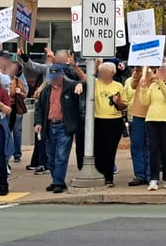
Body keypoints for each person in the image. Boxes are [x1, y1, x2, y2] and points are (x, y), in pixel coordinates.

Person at [32, 65, 84, 194]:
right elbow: (39, 109)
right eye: (52, 78)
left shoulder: (70, 87)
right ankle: (57, 179)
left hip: (64, 126)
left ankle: (58, 182)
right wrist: (38, 123)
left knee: (61, 156)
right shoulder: (46, 91)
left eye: (56, 78)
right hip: (49, 126)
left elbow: (87, 83)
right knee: (51, 156)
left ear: (62, 75)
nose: (54, 80)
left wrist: (81, 85)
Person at [140, 62, 166, 190]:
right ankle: (153, 179)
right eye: (160, 70)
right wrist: (144, 88)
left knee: (165, 150)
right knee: (153, 150)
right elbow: (145, 101)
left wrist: (161, 83)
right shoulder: (153, 86)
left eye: (163, 71)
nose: (160, 73)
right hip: (152, 119)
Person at [93, 62, 126, 187]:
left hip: (114, 121)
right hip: (98, 119)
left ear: (112, 73)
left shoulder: (118, 86)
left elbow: (124, 105)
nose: (102, 75)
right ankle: (99, 174)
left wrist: (117, 102)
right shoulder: (96, 83)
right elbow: (85, 78)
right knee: (98, 150)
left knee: (110, 150)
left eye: (105, 73)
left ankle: (108, 177)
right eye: (101, 72)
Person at [124, 66, 151, 187]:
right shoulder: (139, 72)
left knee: (150, 146)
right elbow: (133, 85)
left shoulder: (158, 72)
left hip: (152, 114)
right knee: (137, 145)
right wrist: (139, 70)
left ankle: (151, 174)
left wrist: (149, 72)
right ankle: (140, 175)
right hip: (137, 114)